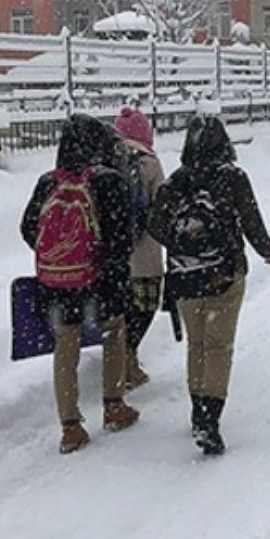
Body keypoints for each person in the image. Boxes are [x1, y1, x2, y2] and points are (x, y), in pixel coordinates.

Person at [149, 115, 270, 456]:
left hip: (185, 275)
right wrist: (266, 249)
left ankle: (196, 410)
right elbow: (250, 218)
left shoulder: (176, 182)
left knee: (198, 345)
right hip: (224, 273)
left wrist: (184, 242)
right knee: (219, 347)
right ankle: (210, 418)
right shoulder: (232, 177)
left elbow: (155, 225)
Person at [20, 114, 140, 455]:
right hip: (100, 280)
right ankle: (114, 405)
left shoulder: (48, 182)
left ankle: (70, 427)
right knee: (114, 333)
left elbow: (28, 228)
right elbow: (122, 237)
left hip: (56, 283)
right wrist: (101, 263)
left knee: (66, 346)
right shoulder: (108, 180)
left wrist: (59, 255)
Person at [113, 106, 166, 391]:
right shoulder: (150, 163)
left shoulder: (107, 160)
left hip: (115, 254)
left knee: (121, 309)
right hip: (145, 253)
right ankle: (129, 356)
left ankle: (119, 358)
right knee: (145, 306)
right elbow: (163, 206)